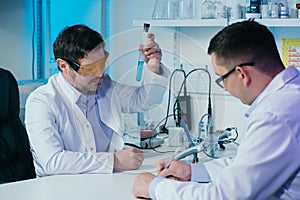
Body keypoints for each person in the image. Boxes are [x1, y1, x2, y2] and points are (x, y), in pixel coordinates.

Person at [132, 20, 300, 199]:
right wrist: (192, 171)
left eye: (222, 79)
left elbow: (227, 195)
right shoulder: (290, 95)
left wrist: (155, 187)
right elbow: (251, 165)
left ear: (242, 74)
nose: (225, 88)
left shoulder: (275, 115)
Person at [25, 24, 170, 177]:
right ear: (63, 65)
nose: (100, 73)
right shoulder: (41, 102)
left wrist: (154, 68)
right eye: (90, 68)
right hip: (60, 189)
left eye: (102, 63)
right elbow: (52, 162)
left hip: (102, 182)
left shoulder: (104, 85)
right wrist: (114, 161)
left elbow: (143, 101)